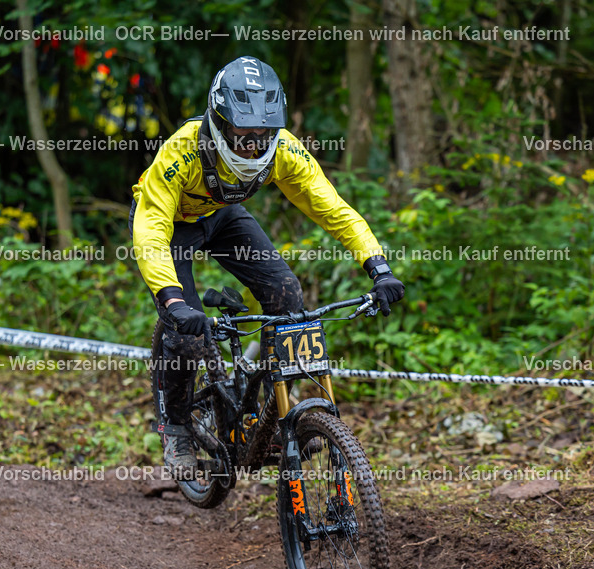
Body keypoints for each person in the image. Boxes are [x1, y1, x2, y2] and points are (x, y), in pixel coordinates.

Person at [129, 55, 405, 479]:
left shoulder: (285, 152)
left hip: (222, 216)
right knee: (184, 331)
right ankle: (178, 428)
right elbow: (150, 233)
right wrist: (173, 300)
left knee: (287, 298)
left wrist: (378, 266)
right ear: (219, 124)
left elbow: (333, 209)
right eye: (243, 135)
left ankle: (276, 414)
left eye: (263, 136)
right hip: (170, 228)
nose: (253, 146)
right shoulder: (180, 153)